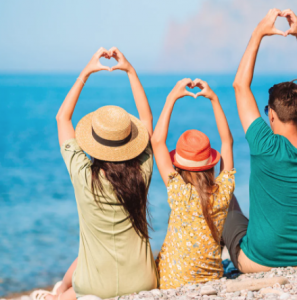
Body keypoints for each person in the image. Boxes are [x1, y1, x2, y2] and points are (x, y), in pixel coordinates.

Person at [31, 47, 158, 300]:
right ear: (129, 141)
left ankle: (56, 295)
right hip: (143, 281)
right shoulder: (142, 171)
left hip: (95, 287)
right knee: (84, 265)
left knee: (82, 268)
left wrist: (86, 73)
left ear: (93, 144)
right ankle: (57, 293)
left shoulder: (83, 175)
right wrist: (131, 71)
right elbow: (146, 119)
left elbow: (62, 118)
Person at [222, 8, 297, 273]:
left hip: (257, 263)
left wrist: (259, 32)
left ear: (269, 114)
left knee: (227, 207)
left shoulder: (263, 144)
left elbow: (240, 86)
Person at [151, 78, 235, 289]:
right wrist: (214, 99)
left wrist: (172, 97)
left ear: (178, 166)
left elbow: (157, 142)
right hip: (213, 277)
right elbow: (227, 142)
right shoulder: (223, 192)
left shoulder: (180, 192)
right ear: (211, 164)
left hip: (172, 281)